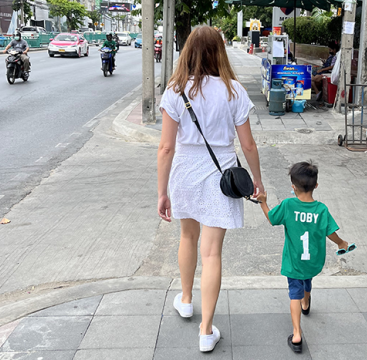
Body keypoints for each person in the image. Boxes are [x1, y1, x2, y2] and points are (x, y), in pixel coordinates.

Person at [157, 26, 264, 352]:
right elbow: (247, 144)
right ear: (220, 52)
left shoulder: (175, 91)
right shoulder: (233, 91)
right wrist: (257, 181)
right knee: (212, 252)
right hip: (222, 175)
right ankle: (206, 331)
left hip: (186, 172)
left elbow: (165, 148)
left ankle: (186, 299)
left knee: (187, 237)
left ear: (188, 51)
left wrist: (162, 192)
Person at [255, 161, 356, 354]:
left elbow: (272, 219)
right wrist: (341, 243)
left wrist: (263, 202)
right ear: (316, 186)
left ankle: (296, 334)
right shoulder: (321, 210)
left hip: (294, 261)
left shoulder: (288, 205)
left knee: (294, 291)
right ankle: (306, 303)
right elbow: (331, 232)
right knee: (306, 280)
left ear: (293, 187)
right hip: (313, 260)